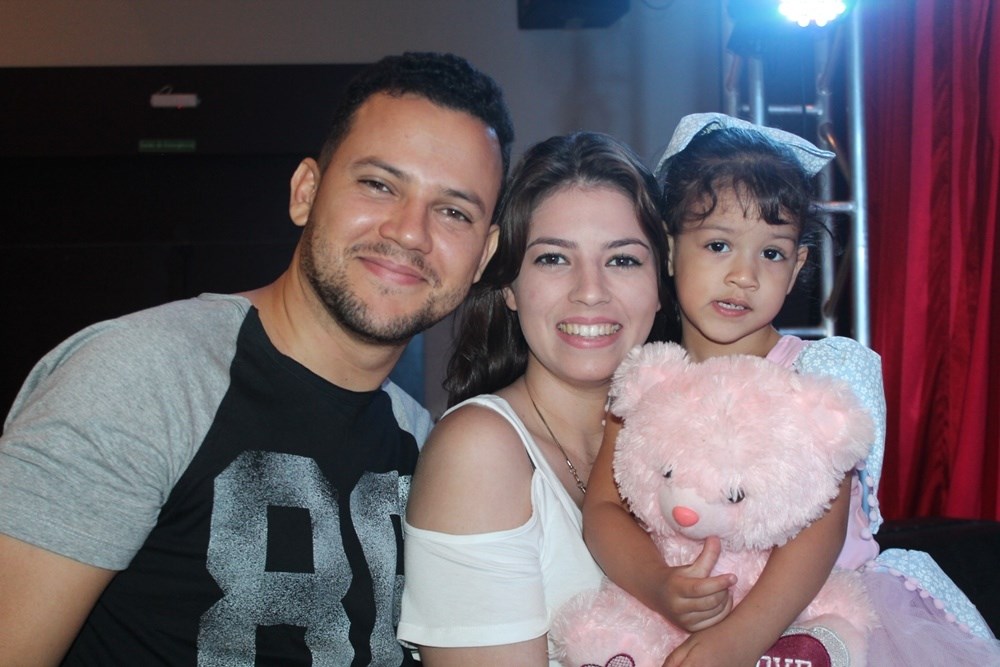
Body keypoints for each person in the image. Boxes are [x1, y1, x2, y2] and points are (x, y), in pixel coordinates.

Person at [0, 51, 514, 666]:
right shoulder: (144, 378)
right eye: (379, 184)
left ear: (483, 257)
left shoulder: (428, 443)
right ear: (306, 192)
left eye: (453, 211)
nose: (409, 232)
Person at [583, 112, 1000, 666]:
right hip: (688, 612)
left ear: (798, 263)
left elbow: (819, 528)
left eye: (772, 253)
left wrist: (743, 637)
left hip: (815, 615)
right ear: (670, 248)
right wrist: (658, 585)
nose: (744, 275)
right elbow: (603, 509)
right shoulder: (650, 379)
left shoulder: (814, 375)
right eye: (718, 245)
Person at [396, 131, 673, 665]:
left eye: (622, 261)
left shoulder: (690, 433)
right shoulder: (480, 450)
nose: (590, 290)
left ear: (661, 283)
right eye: (553, 258)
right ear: (509, 286)